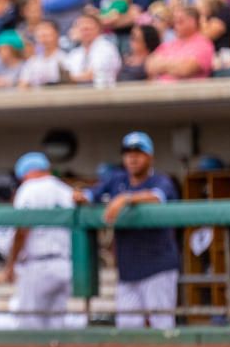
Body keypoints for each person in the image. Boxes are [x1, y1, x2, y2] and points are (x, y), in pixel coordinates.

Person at [74, 132, 179, 329]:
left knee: (163, 325)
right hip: (127, 269)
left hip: (158, 267)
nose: (132, 157)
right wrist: (79, 195)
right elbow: (89, 195)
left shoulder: (161, 180)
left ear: (150, 157)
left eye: (138, 152)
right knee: (127, 328)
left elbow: (158, 197)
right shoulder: (116, 180)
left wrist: (125, 198)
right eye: (128, 152)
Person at [5, 153, 75, 329]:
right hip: (65, 265)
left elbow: (22, 230)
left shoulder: (29, 188)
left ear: (26, 173)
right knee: (56, 327)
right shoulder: (66, 190)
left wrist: (11, 263)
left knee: (30, 326)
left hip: (39, 265)